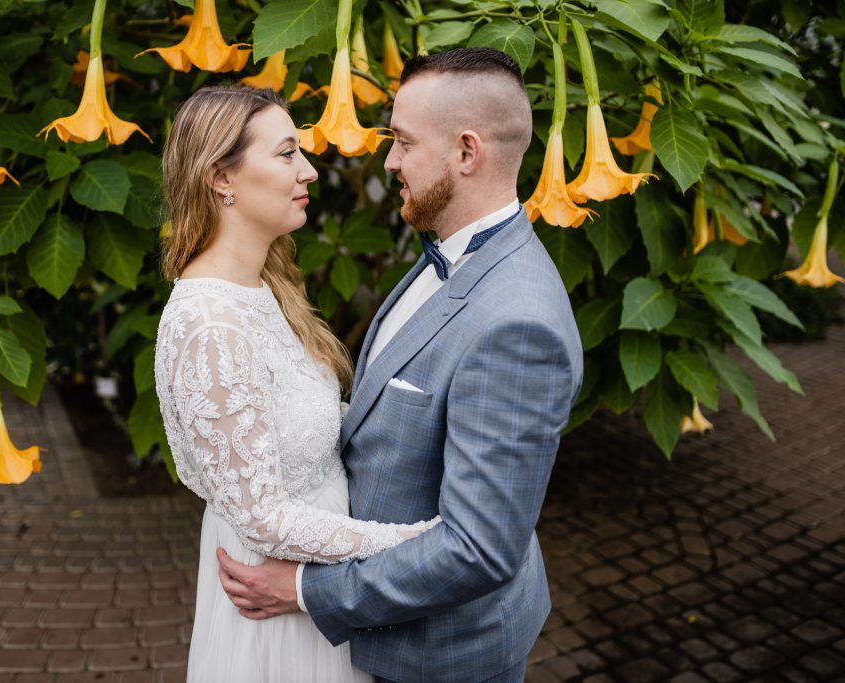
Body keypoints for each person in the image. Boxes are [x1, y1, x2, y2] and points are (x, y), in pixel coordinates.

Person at [216, 48, 584, 682]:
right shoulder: (450, 249)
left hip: (437, 656)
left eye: (403, 142)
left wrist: (306, 591)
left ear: (466, 153)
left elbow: (477, 549)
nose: (388, 161)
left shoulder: (517, 324)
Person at [153, 85, 441, 683]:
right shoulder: (210, 325)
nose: (308, 169)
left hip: (316, 579)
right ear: (219, 177)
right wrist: (410, 545)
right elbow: (261, 517)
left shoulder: (263, 288)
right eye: (286, 153)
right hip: (280, 594)